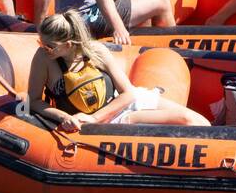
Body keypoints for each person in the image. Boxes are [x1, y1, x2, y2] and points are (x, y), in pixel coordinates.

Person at [27, 11, 210, 131]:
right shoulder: (43, 58)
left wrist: (96, 119)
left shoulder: (96, 51)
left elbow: (128, 93)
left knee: (199, 122)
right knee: (187, 122)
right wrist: (64, 117)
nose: (44, 48)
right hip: (105, 122)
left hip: (119, 108)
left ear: (68, 44)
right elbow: (34, 100)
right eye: (41, 43)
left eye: (49, 46)